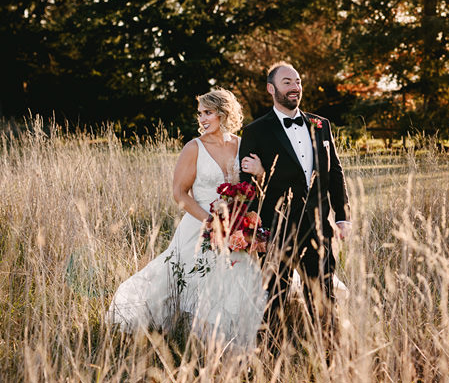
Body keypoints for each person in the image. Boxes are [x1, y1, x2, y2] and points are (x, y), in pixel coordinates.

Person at [107, 88, 266, 349]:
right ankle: (191, 338)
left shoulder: (242, 144)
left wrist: (258, 178)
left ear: (224, 113)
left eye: (208, 112)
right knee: (191, 279)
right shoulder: (194, 148)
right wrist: (212, 221)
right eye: (200, 113)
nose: (202, 118)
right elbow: (179, 193)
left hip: (239, 228)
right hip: (201, 225)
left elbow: (257, 185)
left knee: (239, 280)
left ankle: (235, 340)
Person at [238, 62, 351, 351]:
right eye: (287, 82)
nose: (295, 87)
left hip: (318, 224)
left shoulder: (321, 124)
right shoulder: (255, 131)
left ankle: (327, 352)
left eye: (298, 81)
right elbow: (247, 185)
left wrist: (342, 216)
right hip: (276, 226)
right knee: (275, 293)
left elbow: (335, 171)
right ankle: (269, 354)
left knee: (323, 290)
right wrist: (253, 230)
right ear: (271, 88)